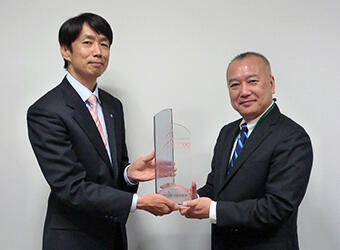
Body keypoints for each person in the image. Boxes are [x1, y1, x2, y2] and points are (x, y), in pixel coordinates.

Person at [27, 13, 178, 250]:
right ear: (66, 51)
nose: (98, 51)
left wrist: (129, 174)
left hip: (114, 236)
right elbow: (71, 187)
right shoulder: (46, 111)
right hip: (73, 239)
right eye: (87, 42)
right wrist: (139, 202)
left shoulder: (112, 105)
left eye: (104, 44)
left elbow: (111, 171)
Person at [180, 52, 313, 250]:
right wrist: (191, 199)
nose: (243, 92)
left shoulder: (292, 137)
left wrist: (213, 210)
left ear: (271, 83)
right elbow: (217, 186)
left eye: (252, 81)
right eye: (234, 85)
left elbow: (277, 207)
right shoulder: (227, 132)